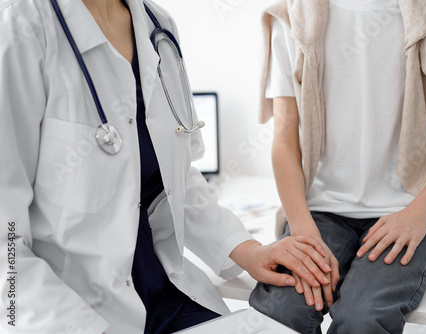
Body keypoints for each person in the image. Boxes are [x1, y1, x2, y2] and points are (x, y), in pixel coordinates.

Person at [0, 0, 334, 333]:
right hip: (74, 314)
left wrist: (247, 250)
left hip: (167, 297)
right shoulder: (20, 28)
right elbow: (6, 246)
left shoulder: (157, 25)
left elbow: (174, 180)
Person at [249, 0, 426, 333]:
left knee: (362, 318)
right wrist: (301, 229)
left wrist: (419, 214)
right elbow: (284, 136)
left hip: (407, 210)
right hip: (318, 213)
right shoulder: (293, 15)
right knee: (281, 313)